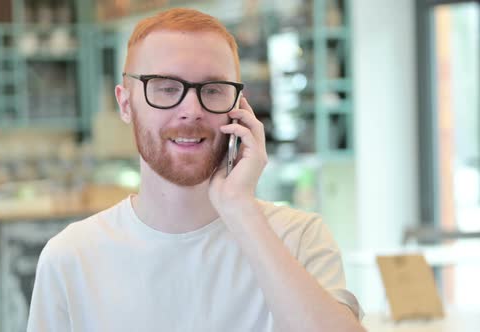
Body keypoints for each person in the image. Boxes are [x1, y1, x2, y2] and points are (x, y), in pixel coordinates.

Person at [27, 8, 364, 332]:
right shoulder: (70, 257)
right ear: (126, 104)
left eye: (214, 90)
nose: (192, 109)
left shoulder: (299, 238)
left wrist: (240, 210)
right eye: (166, 88)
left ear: (239, 108)